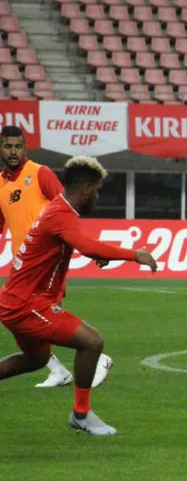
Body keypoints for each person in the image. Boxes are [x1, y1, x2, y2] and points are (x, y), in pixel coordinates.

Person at [0, 155, 157, 436]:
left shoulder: (60, 209)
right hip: (27, 305)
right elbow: (88, 246)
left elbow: (77, 244)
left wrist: (98, 254)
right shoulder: (60, 213)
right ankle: (81, 414)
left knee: (36, 359)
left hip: (17, 300)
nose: (97, 195)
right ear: (85, 188)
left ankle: (81, 414)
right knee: (92, 342)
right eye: (96, 190)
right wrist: (135, 255)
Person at [0, 125, 113, 388]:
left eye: (18, 146)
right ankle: (61, 368)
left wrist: (88, 245)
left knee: (41, 318)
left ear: (25, 148)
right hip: (23, 268)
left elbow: (68, 207)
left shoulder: (40, 173)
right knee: (35, 322)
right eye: (8, 146)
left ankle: (95, 356)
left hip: (47, 264)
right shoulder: (1, 183)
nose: (13, 151)